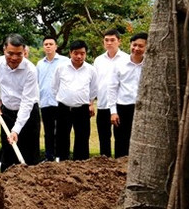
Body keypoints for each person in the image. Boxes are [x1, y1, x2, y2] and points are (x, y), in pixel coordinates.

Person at [0, 34, 41, 171]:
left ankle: (30, 187)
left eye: (19, 54)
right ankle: (6, 186)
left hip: (28, 115)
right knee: (8, 153)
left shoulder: (30, 70)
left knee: (29, 154)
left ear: (24, 52)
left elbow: (27, 102)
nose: (14, 58)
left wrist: (16, 130)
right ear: (4, 49)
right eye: (10, 53)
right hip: (7, 112)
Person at [52, 40, 98, 161]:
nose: (79, 56)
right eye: (76, 53)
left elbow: (93, 89)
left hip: (82, 109)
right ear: (70, 53)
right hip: (63, 108)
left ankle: (81, 166)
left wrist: (90, 102)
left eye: (82, 53)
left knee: (82, 138)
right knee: (62, 138)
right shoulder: (61, 68)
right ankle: (63, 163)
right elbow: (55, 87)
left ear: (85, 54)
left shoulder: (91, 70)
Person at [108, 32, 147, 158]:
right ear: (130, 45)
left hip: (142, 108)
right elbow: (112, 88)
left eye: (140, 46)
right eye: (134, 45)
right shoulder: (120, 64)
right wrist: (113, 111)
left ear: (147, 47)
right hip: (123, 107)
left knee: (141, 141)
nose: (136, 49)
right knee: (121, 141)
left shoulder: (150, 65)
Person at [94, 29, 129, 157]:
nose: (109, 43)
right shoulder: (98, 60)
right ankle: (105, 167)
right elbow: (95, 83)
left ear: (119, 41)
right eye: (106, 40)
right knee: (104, 138)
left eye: (112, 40)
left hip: (120, 105)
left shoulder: (126, 59)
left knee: (121, 138)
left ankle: (121, 165)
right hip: (103, 104)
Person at [37, 36, 67, 161]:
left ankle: (61, 156)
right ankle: (49, 157)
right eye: (46, 44)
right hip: (45, 102)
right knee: (48, 132)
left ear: (56, 46)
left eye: (51, 44)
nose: (48, 46)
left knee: (61, 131)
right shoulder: (39, 64)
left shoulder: (64, 61)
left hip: (60, 102)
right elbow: (37, 82)